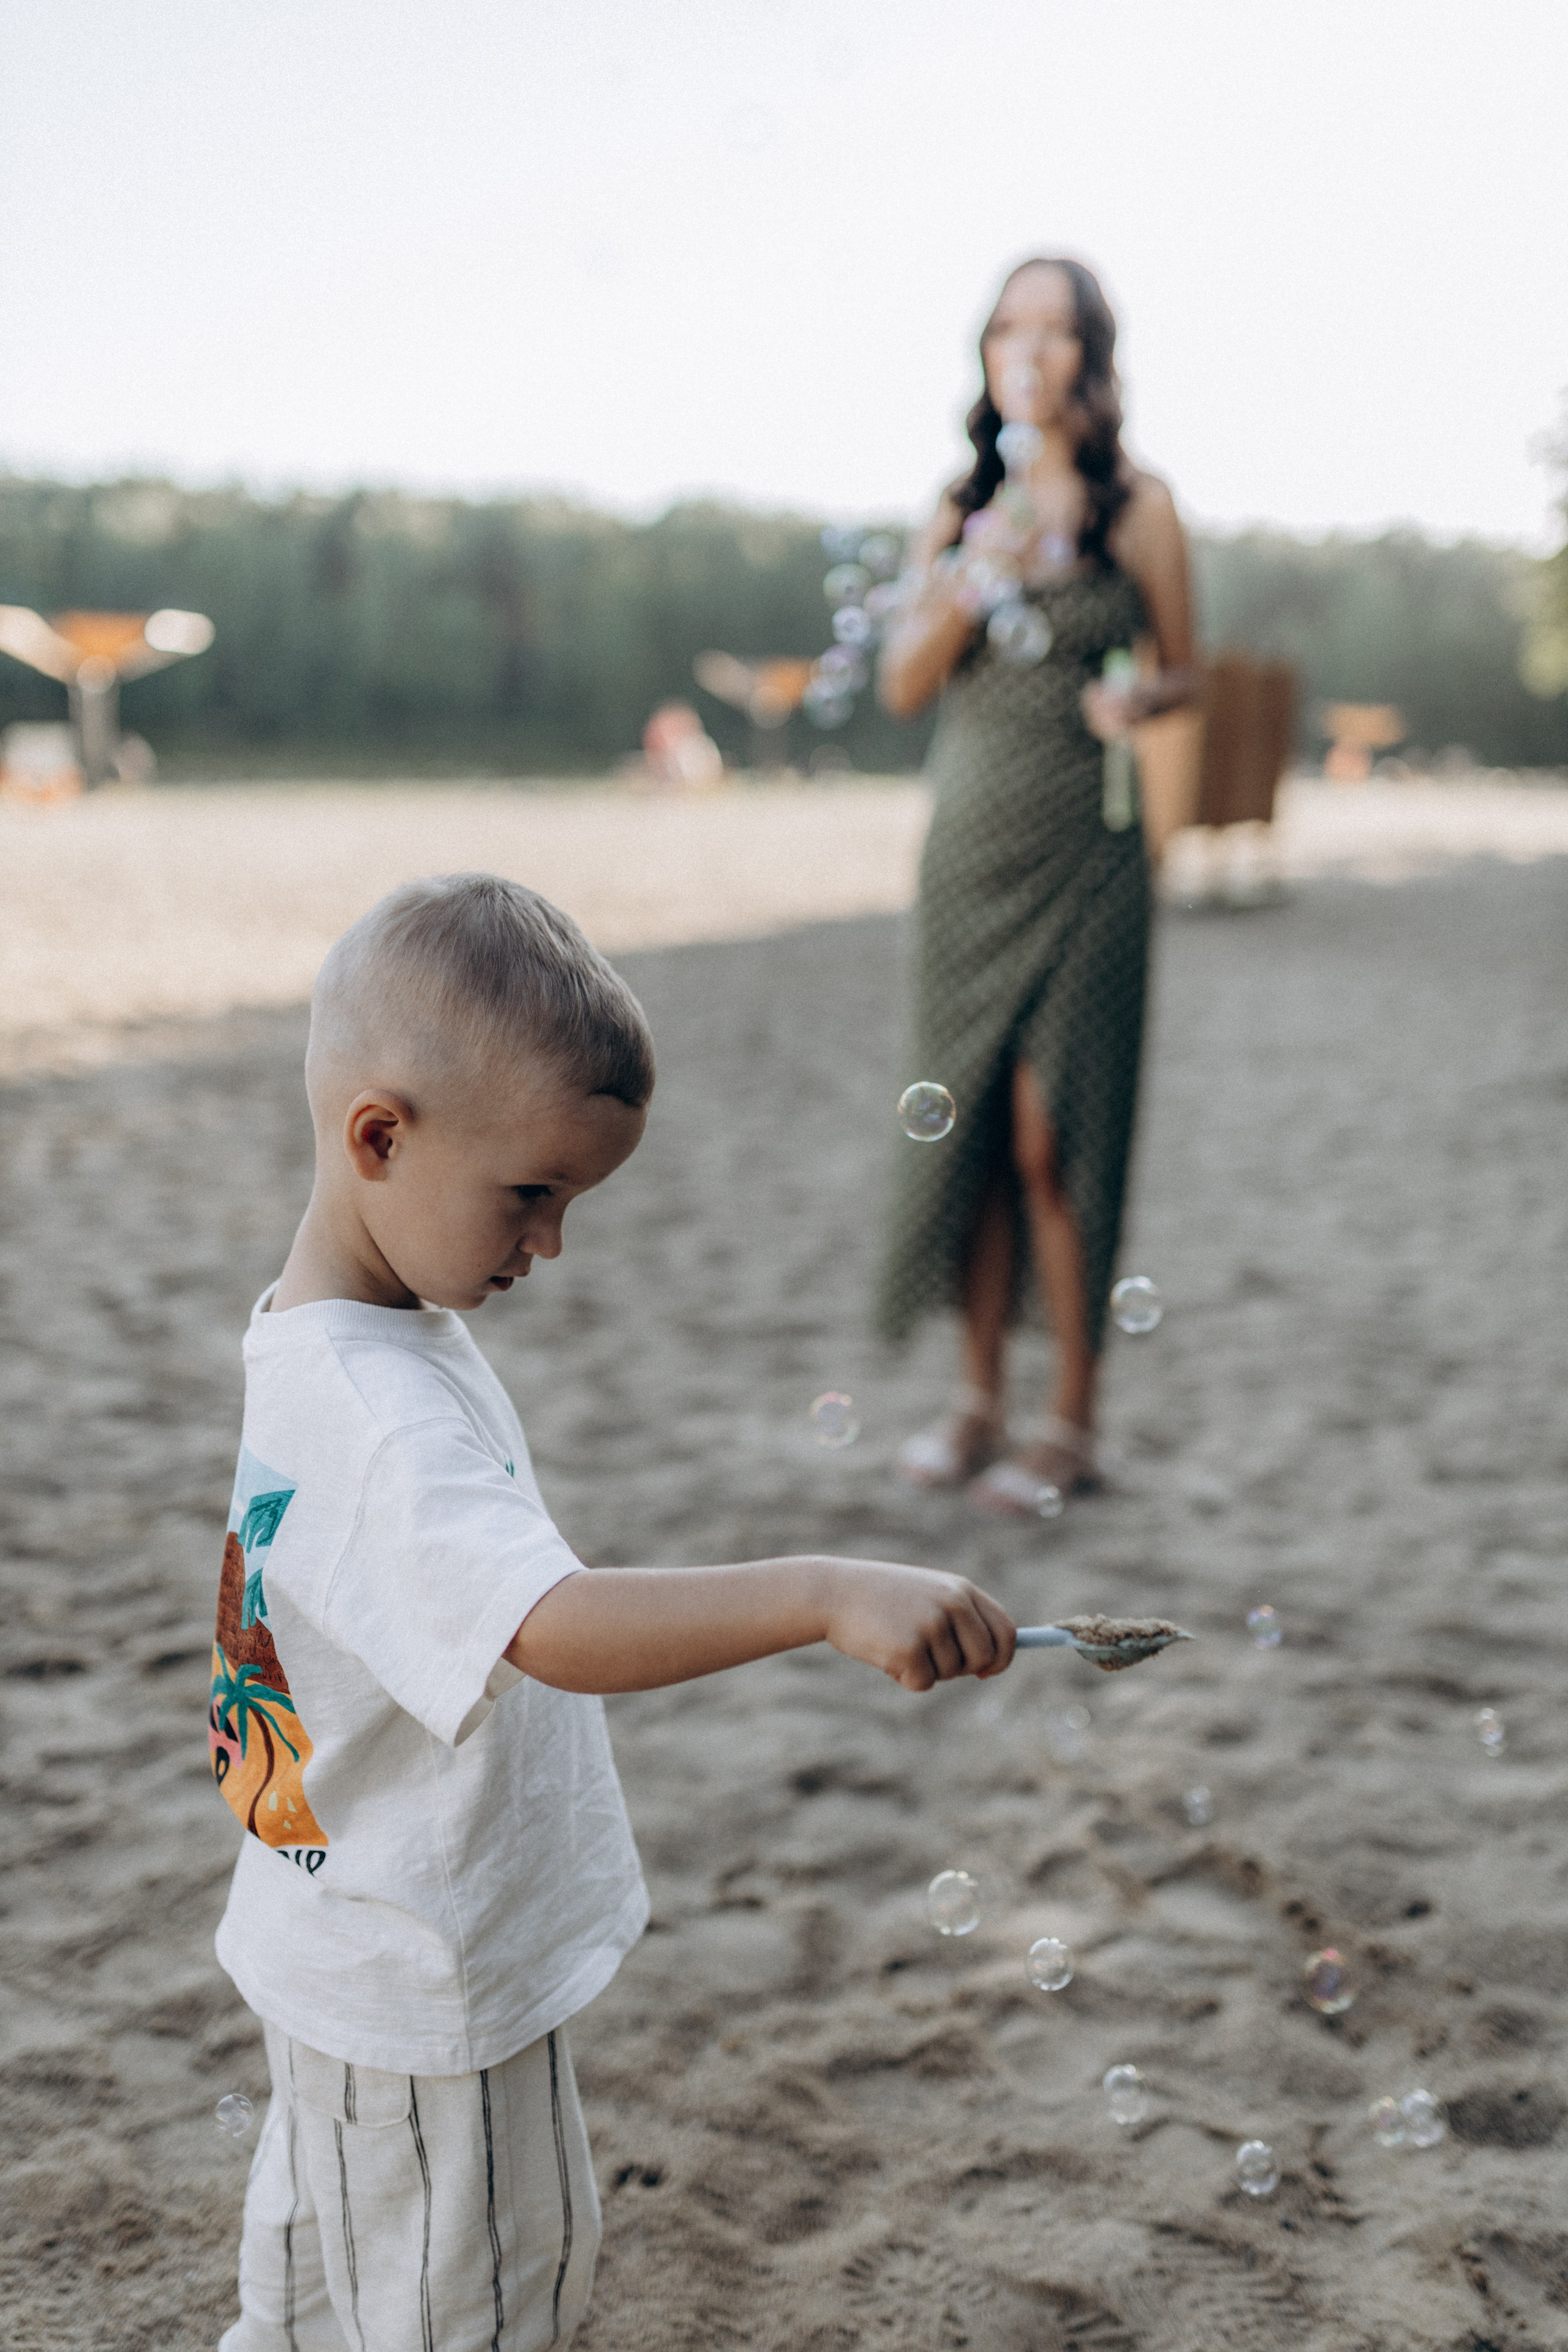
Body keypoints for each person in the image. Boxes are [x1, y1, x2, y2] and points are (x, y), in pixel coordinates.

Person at [211, 872, 1016, 2352]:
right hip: (431, 1973)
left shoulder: (330, 1335)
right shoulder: (382, 1417)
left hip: (335, 1935)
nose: (552, 1245)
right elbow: (544, 1623)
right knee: (480, 2303)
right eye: (531, 1194)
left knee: (328, 2270)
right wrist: (823, 1591)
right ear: (379, 1137)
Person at [875, 257, 1197, 1513]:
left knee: (1053, 1134)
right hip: (969, 850)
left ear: (1092, 356)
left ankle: (1067, 1420)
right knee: (961, 1129)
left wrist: (1141, 696)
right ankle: (973, 1404)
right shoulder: (962, 508)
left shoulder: (1138, 506)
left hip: (1088, 855)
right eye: (1012, 326)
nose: (1032, 349)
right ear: (986, 351)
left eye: (1058, 330)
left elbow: (1188, 671)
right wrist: (981, 562)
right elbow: (906, 685)